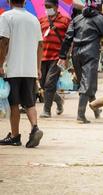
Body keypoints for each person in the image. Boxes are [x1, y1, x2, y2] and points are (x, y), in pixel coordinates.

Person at [58, 0, 103, 123]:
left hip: (76, 54)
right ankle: (80, 115)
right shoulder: (100, 19)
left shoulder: (76, 19)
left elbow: (67, 38)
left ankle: (96, 110)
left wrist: (62, 55)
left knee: (86, 82)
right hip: (90, 53)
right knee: (86, 84)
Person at [0, 0, 43, 148]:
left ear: (9, 1)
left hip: (13, 68)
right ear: (24, 2)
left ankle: (15, 136)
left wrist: (0, 64)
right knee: (29, 102)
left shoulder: (6, 16)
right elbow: (40, 45)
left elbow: (4, 42)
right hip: (30, 69)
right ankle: (35, 127)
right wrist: (38, 68)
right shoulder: (34, 19)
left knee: (14, 103)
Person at [39, 0, 70, 118]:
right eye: (45, 7)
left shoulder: (65, 20)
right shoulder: (41, 20)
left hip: (57, 57)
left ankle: (46, 110)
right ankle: (58, 100)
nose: (47, 9)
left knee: (49, 83)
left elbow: (69, 39)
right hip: (42, 56)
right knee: (43, 84)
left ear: (56, 7)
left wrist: (67, 56)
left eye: (49, 6)